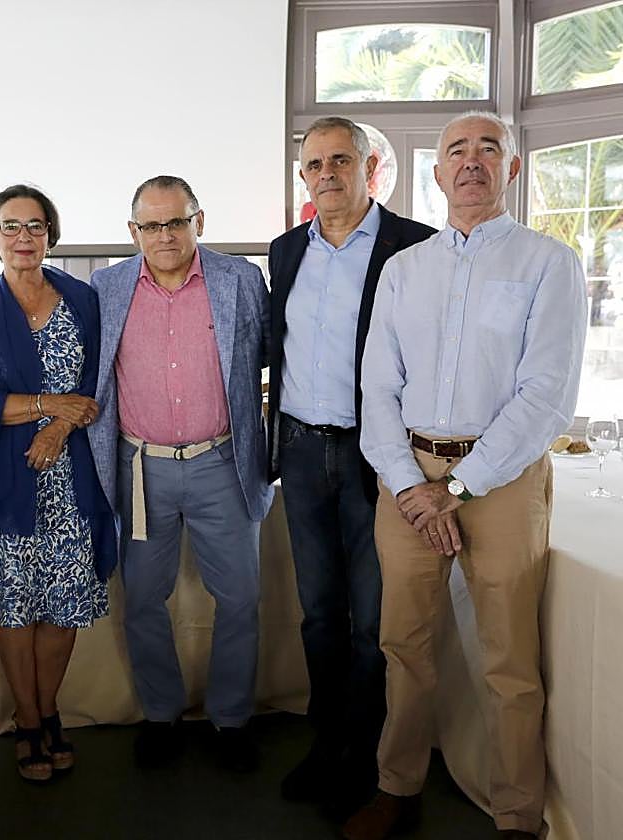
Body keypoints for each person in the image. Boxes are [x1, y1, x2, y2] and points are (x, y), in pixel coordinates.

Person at [344, 112, 588, 840]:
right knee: (404, 646)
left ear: (512, 168)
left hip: (503, 479)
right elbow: (376, 389)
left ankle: (516, 815)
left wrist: (457, 488)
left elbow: (546, 396)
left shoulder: (548, 263)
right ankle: (398, 786)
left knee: (509, 658)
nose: (472, 161)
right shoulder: (404, 270)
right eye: (457, 150)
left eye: (489, 149)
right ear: (438, 173)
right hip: (409, 479)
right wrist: (409, 485)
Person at [267, 117, 434, 816]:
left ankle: (369, 757)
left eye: (341, 160)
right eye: (315, 164)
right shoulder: (285, 250)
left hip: (378, 453)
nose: (327, 173)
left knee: (373, 622)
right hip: (303, 452)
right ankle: (327, 743)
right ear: (304, 176)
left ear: (370, 168)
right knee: (318, 615)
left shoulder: (415, 245)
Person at [87, 175, 272, 770]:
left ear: (199, 221)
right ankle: (161, 715)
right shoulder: (107, 287)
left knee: (240, 597)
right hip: (140, 469)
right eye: (151, 225)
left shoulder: (241, 280)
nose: (164, 235)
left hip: (223, 463)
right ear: (133, 231)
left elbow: (270, 358)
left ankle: (232, 720)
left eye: (176, 222)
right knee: (143, 598)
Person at [0, 184, 117, 783]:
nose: (24, 237)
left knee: (64, 605)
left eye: (36, 226)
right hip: (7, 478)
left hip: (72, 479)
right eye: (11, 226)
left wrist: (58, 428)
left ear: (51, 234)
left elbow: (96, 387)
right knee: (16, 606)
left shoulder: (83, 299)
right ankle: (26, 721)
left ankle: (50, 711)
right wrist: (52, 407)